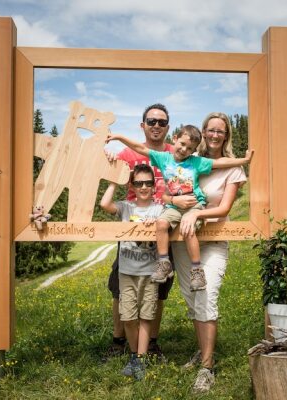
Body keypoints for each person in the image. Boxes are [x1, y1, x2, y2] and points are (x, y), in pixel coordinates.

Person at [105, 125, 252, 294]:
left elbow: (219, 162)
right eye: (182, 144)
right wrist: (118, 136)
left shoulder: (196, 162)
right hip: (174, 206)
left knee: (188, 229)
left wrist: (244, 161)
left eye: (190, 148)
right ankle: (163, 262)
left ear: (194, 151)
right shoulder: (163, 158)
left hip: (193, 204)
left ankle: (197, 271)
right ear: (175, 138)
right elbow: (140, 148)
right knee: (160, 223)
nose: (184, 150)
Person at [170, 113, 247, 393]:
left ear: (226, 136)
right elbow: (165, 185)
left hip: (214, 241)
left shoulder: (233, 169)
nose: (215, 135)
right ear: (203, 132)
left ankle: (207, 367)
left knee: (207, 295)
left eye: (220, 131)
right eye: (210, 130)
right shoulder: (189, 160)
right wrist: (173, 200)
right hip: (183, 241)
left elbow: (224, 208)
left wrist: (199, 212)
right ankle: (201, 351)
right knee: (192, 298)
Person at [103, 104, 176, 362]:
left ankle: (151, 343)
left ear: (168, 127)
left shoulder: (174, 154)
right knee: (119, 289)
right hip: (132, 230)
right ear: (142, 124)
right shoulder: (127, 153)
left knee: (157, 290)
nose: (156, 126)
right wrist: (108, 157)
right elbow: (104, 168)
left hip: (165, 230)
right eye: (151, 121)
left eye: (161, 122)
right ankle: (118, 340)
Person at [100, 164, 164, 380]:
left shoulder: (160, 209)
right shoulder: (126, 208)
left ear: (154, 186)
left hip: (150, 273)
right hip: (126, 272)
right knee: (127, 317)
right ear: (132, 186)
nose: (144, 187)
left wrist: (154, 223)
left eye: (148, 183)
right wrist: (113, 182)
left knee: (146, 316)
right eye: (138, 183)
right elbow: (104, 204)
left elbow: (167, 225)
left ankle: (140, 359)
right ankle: (136, 355)